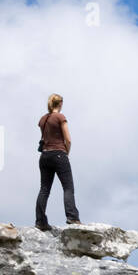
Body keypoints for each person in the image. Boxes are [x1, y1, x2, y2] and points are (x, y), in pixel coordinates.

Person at [35, 93, 80, 230]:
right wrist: (66, 152)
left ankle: (40, 221)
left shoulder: (43, 119)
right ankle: (72, 217)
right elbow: (68, 139)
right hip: (59, 154)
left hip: (44, 156)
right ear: (60, 104)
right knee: (68, 187)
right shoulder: (60, 117)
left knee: (44, 189)